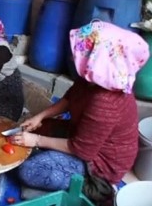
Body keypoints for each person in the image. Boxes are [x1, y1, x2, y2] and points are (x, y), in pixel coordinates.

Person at [8, 21, 149, 205]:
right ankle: (44, 183)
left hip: (99, 168)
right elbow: (68, 99)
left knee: (28, 170)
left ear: (97, 57)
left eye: (84, 51)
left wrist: (36, 141)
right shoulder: (93, 77)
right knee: (40, 128)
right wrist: (40, 117)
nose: (75, 55)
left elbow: (81, 150)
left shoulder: (106, 101)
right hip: (83, 137)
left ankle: (84, 191)